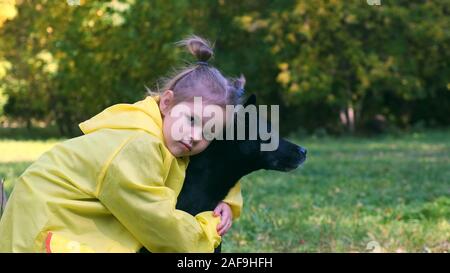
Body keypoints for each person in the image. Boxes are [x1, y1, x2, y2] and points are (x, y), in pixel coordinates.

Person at [0, 35, 245, 253]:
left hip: (61, 217)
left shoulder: (166, 130)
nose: (194, 135)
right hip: (42, 228)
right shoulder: (139, 145)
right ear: (167, 103)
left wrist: (226, 199)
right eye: (192, 119)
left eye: (208, 131)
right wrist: (208, 230)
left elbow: (216, 159)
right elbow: (160, 227)